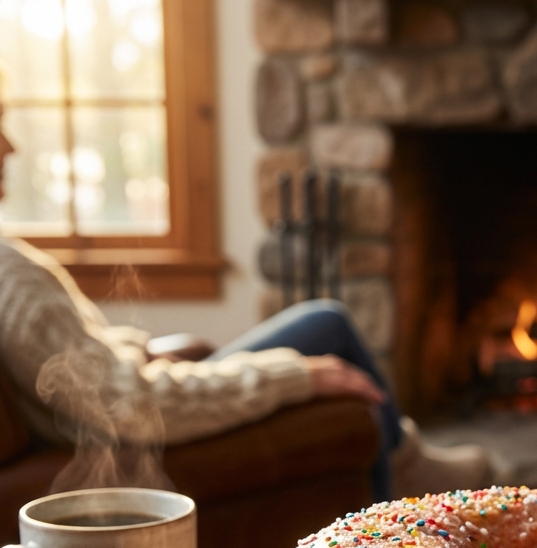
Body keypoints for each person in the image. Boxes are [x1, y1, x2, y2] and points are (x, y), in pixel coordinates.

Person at [0, 102, 489, 500]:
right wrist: (296, 376)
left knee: (324, 325)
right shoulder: (9, 275)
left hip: (137, 387)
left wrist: (134, 349)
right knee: (327, 327)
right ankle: (406, 469)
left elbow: (78, 365)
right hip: (147, 423)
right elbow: (125, 401)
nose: (11, 146)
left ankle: (404, 459)